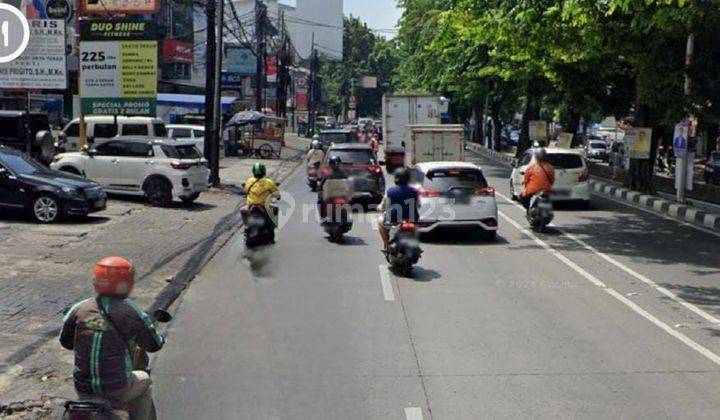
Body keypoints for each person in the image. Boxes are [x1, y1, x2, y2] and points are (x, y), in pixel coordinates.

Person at [60, 257, 165, 420]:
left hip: (83, 387)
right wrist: (160, 338)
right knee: (145, 381)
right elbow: (153, 345)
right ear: (126, 284)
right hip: (117, 388)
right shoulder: (129, 311)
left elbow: (65, 342)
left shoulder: (80, 308)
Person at [377, 167, 420, 250]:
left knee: (380, 222)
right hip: (412, 219)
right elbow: (418, 205)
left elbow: (384, 205)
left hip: (393, 219)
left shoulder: (390, 191)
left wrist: (380, 208)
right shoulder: (414, 191)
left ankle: (386, 244)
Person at [243, 162, 280, 235]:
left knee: (242, 210)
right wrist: (277, 197)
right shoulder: (269, 182)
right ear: (264, 171)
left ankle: (246, 225)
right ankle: (272, 228)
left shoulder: (249, 181)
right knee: (275, 209)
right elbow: (277, 194)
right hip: (264, 206)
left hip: (251, 206)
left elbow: (245, 191)